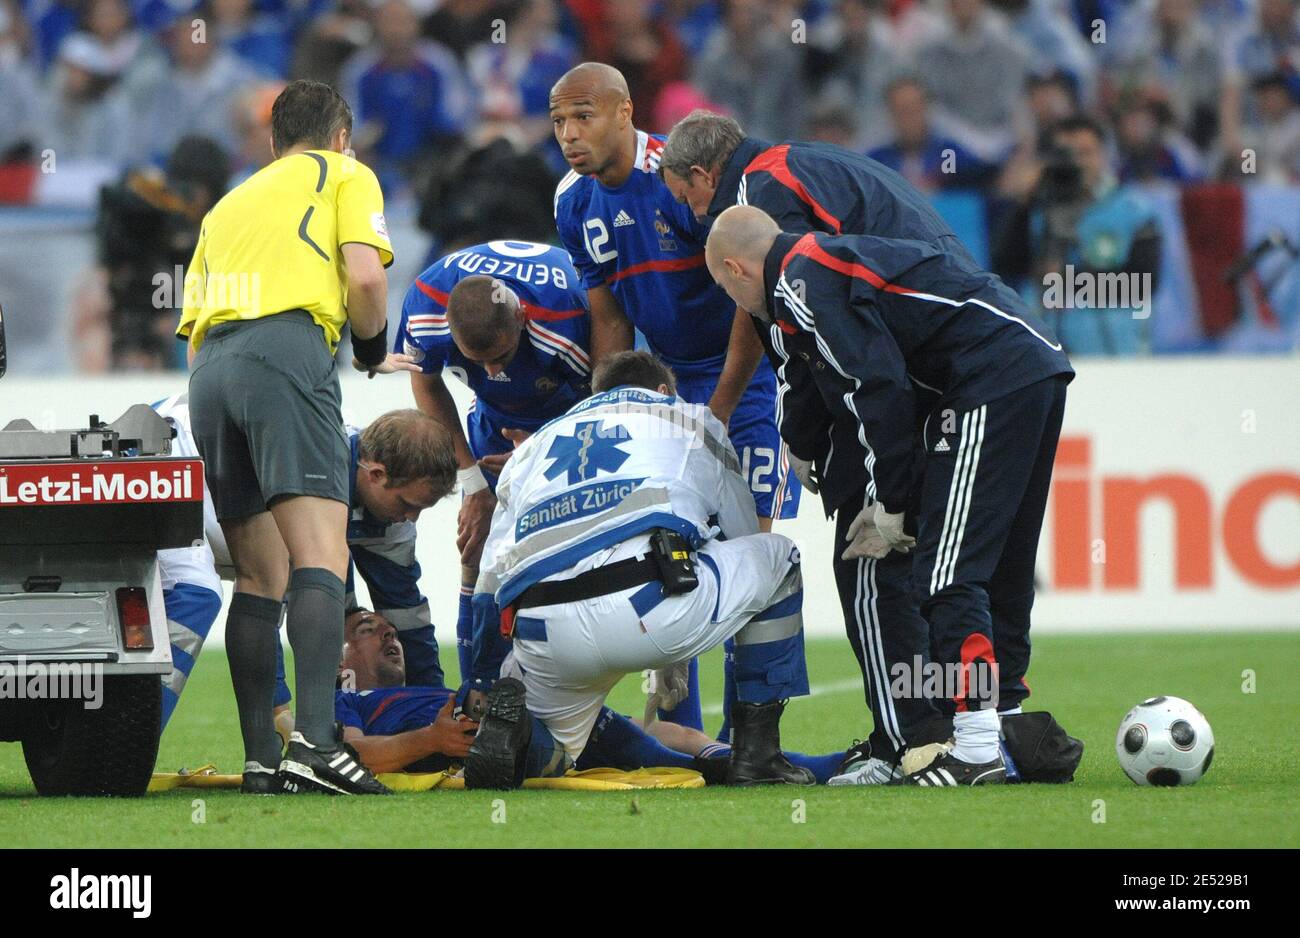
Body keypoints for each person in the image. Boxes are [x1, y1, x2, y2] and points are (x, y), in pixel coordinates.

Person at [706, 205, 1074, 786]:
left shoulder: (799, 285)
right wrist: (805, 441)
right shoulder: (821, 262)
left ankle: (976, 746)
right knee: (999, 570)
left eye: (727, 290)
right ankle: (1006, 728)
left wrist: (891, 504)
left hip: (989, 379)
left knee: (947, 574)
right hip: (1034, 367)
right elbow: (827, 374)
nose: (739, 309)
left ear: (736, 269)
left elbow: (875, 388)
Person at [660, 110, 960, 782]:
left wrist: (806, 432)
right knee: (923, 560)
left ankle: (904, 741)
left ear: (706, 174)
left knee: (867, 561)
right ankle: (951, 731)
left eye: (690, 200)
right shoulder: (800, 163)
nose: (695, 216)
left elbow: (806, 314)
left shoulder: (762, 194)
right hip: (941, 347)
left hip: (896, 368)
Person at [551, 62, 800, 740]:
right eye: (559, 122)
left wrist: (717, 409)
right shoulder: (572, 202)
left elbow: (749, 297)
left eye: (583, 117)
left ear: (625, 111)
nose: (569, 134)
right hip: (661, 391)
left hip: (743, 383)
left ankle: (754, 740)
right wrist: (616, 407)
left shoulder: (680, 179)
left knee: (751, 554)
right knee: (667, 554)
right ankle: (684, 741)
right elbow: (607, 316)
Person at [177, 79, 404, 796]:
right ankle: (316, 745)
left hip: (210, 372)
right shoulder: (344, 172)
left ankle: (258, 761)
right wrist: (370, 353)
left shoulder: (228, 203)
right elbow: (365, 279)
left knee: (257, 575)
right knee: (320, 556)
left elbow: (191, 326)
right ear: (341, 135)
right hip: (287, 350)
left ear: (274, 141)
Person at [465, 350, 815, 789]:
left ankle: (519, 743)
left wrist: (482, 674)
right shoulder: (691, 418)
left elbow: (489, 582)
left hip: (543, 628)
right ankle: (758, 756)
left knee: (556, 750)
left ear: (597, 397)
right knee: (778, 558)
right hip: (649, 602)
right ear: (664, 390)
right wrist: (679, 650)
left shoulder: (533, 446)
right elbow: (739, 536)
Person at [338, 608, 845, 783]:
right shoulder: (346, 703)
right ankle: (531, 745)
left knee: (684, 762)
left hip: (540, 713)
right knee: (484, 698)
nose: (389, 635)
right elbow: (354, 755)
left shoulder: (431, 685)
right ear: (340, 659)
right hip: (479, 732)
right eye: (368, 629)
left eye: (391, 629)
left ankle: (847, 763)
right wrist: (431, 739)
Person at [395, 241, 591, 685]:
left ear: (523, 318)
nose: (491, 372)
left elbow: (603, 403)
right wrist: (472, 483)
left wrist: (539, 450)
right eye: (474, 361)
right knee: (477, 550)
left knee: (579, 559)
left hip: (568, 424)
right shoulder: (426, 302)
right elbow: (425, 384)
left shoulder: (568, 318)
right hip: (493, 424)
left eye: (500, 358)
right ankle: (476, 696)